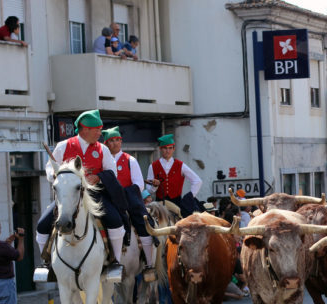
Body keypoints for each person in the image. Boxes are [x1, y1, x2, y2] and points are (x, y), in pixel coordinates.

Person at [36, 110, 124, 277]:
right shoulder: (63, 146)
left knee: (116, 220)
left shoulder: (102, 149)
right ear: (84, 129)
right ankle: (47, 263)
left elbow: (112, 172)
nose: (100, 133)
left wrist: (98, 177)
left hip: (95, 196)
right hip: (68, 197)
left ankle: (116, 262)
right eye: (97, 129)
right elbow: (50, 167)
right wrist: (56, 175)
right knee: (42, 224)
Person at [102, 126, 158, 276]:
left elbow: (139, 183)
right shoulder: (102, 160)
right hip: (108, 198)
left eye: (117, 140)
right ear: (106, 144)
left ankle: (149, 264)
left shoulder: (130, 160)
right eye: (111, 141)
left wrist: (123, 192)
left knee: (142, 221)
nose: (115, 143)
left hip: (127, 197)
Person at [146, 134, 203, 217]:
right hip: (159, 205)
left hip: (177, 204)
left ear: (174, 149)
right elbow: (149, 190)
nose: (168, 151)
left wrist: (189, 196)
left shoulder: (180, 165)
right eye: (165, 148)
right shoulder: (153, 166)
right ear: (160, 149)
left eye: (170, 148)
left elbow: (197, 181)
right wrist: (155, 186)